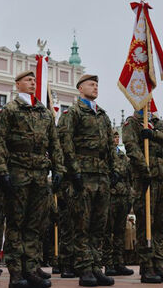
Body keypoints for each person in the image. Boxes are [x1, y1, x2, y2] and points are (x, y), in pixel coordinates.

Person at [0, 70, 66, 288]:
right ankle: (16, 272)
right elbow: (0, 142)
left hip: (40, 174)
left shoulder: (44, 111)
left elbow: (54, 143)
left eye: (34, 80)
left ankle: (31, 268)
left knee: (35, 223)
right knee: (16, 222)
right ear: (17, 84)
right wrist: (2, 170)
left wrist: (59, 169)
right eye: (27, 80)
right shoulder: (10, 110)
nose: (32, 83)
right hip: (18, 171)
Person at [56, 74, 117, 287]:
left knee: (99, 225)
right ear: (80, 89)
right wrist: (74, 172)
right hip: (82, 175)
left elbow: (110, 145)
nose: (95, 87)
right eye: (91, 84)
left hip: (101, 176)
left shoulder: (103, 115)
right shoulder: (72, 113)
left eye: (97, 84)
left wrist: (113, 169)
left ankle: (95, 266)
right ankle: (84, 269)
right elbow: (66, 143)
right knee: (81, 224)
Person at [122, 106, 163, 283]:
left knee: (160, 223)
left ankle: (158, 263)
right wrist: (144, 169)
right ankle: (146, 266)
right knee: (145, 223)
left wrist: (152, 134)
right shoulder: (131, 123)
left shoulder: (156, 123)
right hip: (144, 179)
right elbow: (131, 147)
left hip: (162, 179)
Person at [103, 130, 134, 277]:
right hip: (110, 196)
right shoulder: (105, 154)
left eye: (117, 137)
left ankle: (119, 262)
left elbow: (129, 179)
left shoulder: (123, 157)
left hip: (123, 196)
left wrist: (130, 198)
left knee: (120, 232)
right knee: (107, 232)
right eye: (113, 137)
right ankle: (108, 264)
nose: (115, 139)